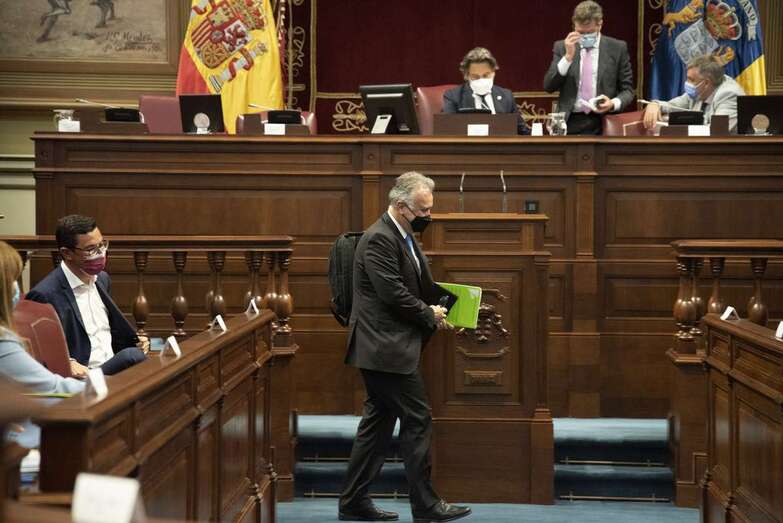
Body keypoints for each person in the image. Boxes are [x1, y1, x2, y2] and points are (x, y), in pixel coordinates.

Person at [338, 173, 471, 523]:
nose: (428, 216)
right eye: (422, 210)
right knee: (417, 418)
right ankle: (426, 506)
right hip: (384, 349)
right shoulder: (379, 239)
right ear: (400, 206)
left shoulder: (404, 235)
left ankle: (353, 502)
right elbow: (392, 293)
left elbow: (419, 285)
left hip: (388, 346)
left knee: (377, 425)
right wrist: (428, 313)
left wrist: (444, 311)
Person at [26, 215, 147, 377]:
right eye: (91, 249)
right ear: (67, 253)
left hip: (113, 371)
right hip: (84, 378)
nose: (101, 253)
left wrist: (138, 342)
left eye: (102, 245)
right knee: (132, 357)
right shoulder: (44, 294)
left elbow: (110, 332)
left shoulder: (102, 280)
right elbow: (35, 351)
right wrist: (67, 361)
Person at [0, 241, 84, 395]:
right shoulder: (2, 343)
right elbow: (53, 389)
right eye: (14, 279)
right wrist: (104, 387)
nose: (16, 286)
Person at [543, 1, 634, 135]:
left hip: (604, 121)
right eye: (580, 32)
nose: (585, 36)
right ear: (574, 25)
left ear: (600, 24)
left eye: (589, 32)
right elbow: (549, 86)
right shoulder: (562, 47)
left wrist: (613, 103)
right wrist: (568, 57)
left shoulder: (617, 48)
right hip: (569, 122)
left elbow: (628, 91)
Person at [643, 54, 746, 133]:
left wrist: (677, 130)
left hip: (726, 155)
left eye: (691, 79)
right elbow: (673, 105)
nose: (687, 83)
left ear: (706, 82)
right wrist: (655, 104)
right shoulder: (698, 91)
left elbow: (716, 131)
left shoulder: (729, 94)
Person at [442, 47, 529, 134]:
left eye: (486, 75)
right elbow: (446, 130)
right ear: (467, 76)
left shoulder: (506, 96)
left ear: (493, 73)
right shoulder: (453, 96)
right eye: (475, 76)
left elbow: (522, 130)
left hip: (501, 146)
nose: (481, 80)